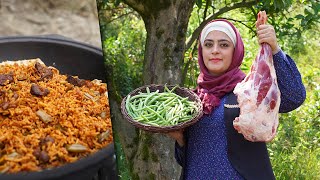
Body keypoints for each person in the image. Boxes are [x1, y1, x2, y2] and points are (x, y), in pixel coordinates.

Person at [168, 15, 306, 179]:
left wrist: (274, 49)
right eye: (208, 44)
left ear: (235, 50)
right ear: (201, 51)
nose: (215, 50)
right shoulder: (193, 100)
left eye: (224, 45)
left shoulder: (250, 90)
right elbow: (188, 160)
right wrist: (180, 140)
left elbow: (294, 96)